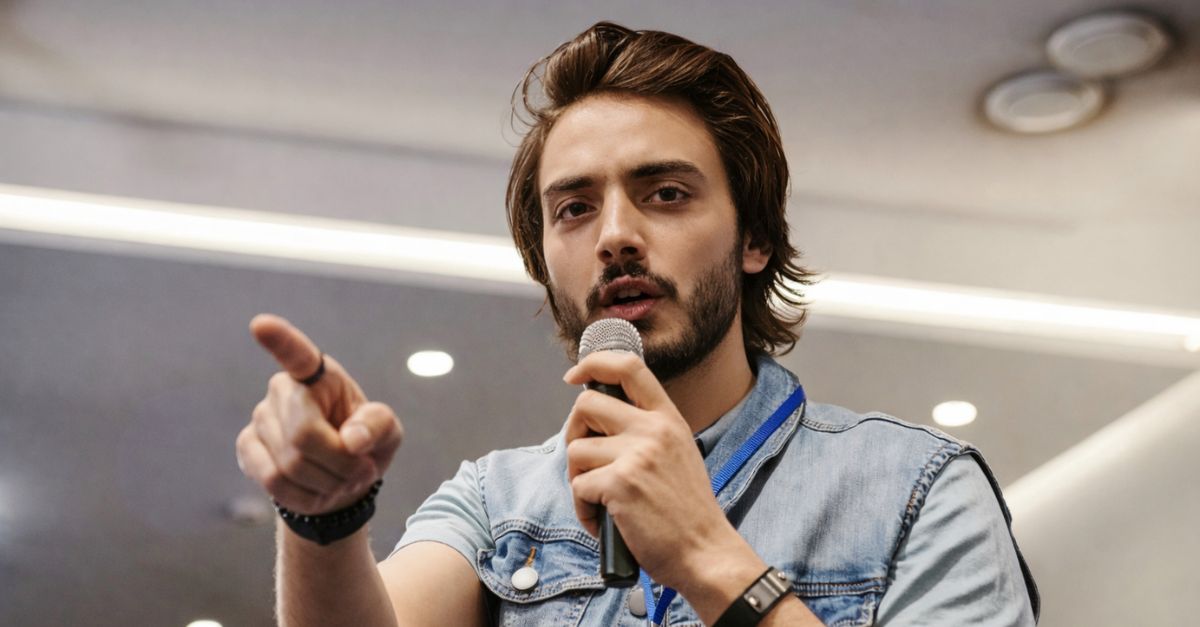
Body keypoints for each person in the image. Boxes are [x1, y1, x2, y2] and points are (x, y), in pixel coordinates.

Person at [235, 22, 1039, 627]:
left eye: (666, 193)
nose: (615, 234)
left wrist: (706, 555)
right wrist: (325, 516)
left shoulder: (913, 488)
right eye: (575, 208)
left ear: (754, 238)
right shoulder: (498, 503)